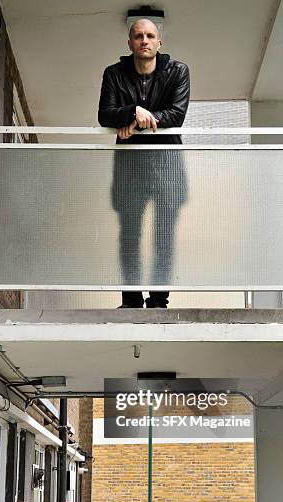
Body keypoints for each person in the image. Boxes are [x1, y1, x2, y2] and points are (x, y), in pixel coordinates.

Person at [98, 18, 190, 308]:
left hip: (167, 165)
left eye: (150, 35)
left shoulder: (178, 72)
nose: (144, 40)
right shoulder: (114, 74)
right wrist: (132, 111)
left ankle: (160, 299)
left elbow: (176, 115)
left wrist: (133, 122)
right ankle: (131, 299)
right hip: (130, 165)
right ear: (130, 43)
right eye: (138, 36)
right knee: (129, 234)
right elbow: (104, 115)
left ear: (159, 43)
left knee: (163, 234)